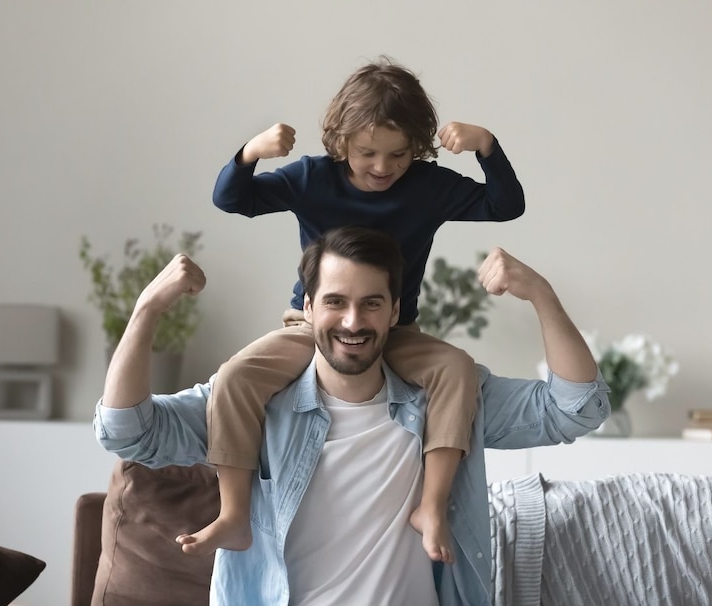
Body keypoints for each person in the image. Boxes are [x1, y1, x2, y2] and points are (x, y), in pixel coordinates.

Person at [94, 226, 610, 606]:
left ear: (394, 310)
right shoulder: (256, 402)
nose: (352, 321)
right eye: (336, 302)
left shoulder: (444, 398)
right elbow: (128, 433)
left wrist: (541, 295)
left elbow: (576, 410)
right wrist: (146, 312)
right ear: (309, 308)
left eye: (370, 304)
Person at [193, 56, 527, 563]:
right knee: (235, 377)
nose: (382, 167)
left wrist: (487, 146)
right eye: (367, 152)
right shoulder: (312, 178)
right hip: (313, 329)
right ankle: (234, 514)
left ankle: (431, 507)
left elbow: (506, 204)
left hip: (397, 332)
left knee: (457, 369)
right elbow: (231, 199)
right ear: (340, 141)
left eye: (397, 155)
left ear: (416, 149)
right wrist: (251, 153)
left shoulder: (429, 186)